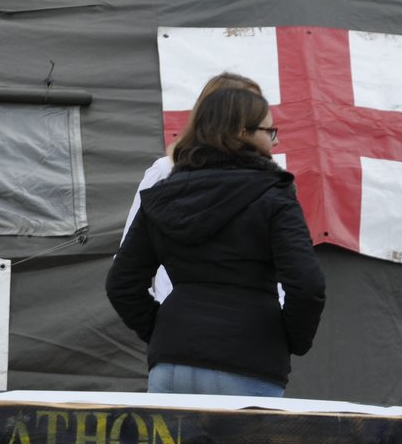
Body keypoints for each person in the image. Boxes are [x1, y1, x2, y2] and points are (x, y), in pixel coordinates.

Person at [105, 85, 325, 396]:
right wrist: (291, 340)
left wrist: (163, 328)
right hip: (250, 359)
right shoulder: (275, 194)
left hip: (171, 362)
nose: (274, 141)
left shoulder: (164, 195)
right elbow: (307, 284)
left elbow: (121, 283)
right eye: (269, 131)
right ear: (242, 132)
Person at [122, 71, 267, 303]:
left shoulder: (266, 178)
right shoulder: (165, 170)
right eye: (249, 107)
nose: (259, 115)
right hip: (183, 321)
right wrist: (160, 317)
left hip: (252, 323)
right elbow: (128, 258)